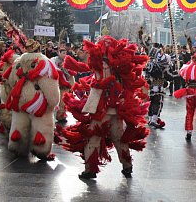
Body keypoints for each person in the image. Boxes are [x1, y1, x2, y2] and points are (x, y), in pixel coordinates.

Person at [57, 36, 149, 179]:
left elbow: (86, 68)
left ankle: (90, 169)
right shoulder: (119, 62)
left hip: (101, 106)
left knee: (93, 136)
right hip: (116, 106)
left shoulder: (98, 60)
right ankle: (127, 166)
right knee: (119, 137)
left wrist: (72, 63)